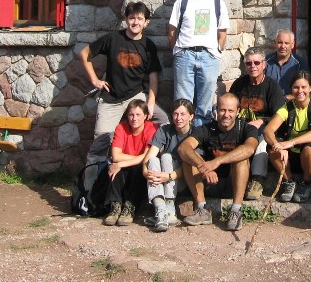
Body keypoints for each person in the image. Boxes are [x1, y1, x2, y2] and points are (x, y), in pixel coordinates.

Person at [80, 2, 167, 165]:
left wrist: (150, 103)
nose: (136, 22)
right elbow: (85, 54)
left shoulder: (149, 46)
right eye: (132, 18)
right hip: (110, 99)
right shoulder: (113, 39)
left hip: (136, 96)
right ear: (126, 19)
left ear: (146, 22)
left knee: (164, 121)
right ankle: (90, 187)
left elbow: (153, 78)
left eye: (140, 19)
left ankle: (155, 161)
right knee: (101, 143)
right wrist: (95, 80)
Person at [178, 93, 259, 231]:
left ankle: (235, 210)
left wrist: (217, 162)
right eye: (222, 110)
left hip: (234, 183)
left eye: (230, 111)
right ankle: (202, 209)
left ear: (238, 111)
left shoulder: (247, 128)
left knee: (242, 159)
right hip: (208, 182)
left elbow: (249, 149)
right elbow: (183, 147)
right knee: (188, 160)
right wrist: (204, 167)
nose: (226, 114)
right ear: (217, 111)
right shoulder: (206, 129)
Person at [168, 0, 230, 126]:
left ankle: (199, 141)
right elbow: (172, 30)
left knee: (205, 105)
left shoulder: (218, 3)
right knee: (182, 103)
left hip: (209, 57)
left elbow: (222, 33)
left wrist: (216, 51)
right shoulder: (182, 1)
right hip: (185, 56)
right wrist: (178, 51)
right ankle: (182, 142)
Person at [262, 70, 311, 204]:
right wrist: (278, 146)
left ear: (310, 88)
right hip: (292, 157)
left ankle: (306, 183)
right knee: (273, 147)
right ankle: (289, 181)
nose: (300, 91)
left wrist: (290, 143)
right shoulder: (287, 107)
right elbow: (268, 130)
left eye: (303, 87)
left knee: (309, 149)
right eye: (296, 87)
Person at [229, 47, 286, 200]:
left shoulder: (272, 86)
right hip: (240, 126)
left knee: (260, 141)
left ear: (264, 64)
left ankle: (257, 179)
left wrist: (261, 121)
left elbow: (279, 114)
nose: (252, 66)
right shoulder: (239, 85)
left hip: (262, 128)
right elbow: (231, 105)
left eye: (256, 63)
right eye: (248, 64)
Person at [142, 98, 195, 232]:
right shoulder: (165, 130)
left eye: (183, 114)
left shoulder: (195, 133)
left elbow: (193, 166)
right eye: (175, 114)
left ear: (191, 116)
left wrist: (169, 176)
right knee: (153, 161)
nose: (178, 118)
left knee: (166, 156)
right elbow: (150, 154)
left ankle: (170, 207)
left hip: (181, 179)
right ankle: (161, 210)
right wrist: (145, 171)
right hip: (162, 179)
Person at [102, 99, 157, 226]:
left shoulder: (151, 128)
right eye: (131, 115)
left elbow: (147, 156)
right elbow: (116, 156)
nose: (134, 118)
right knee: (115, 169)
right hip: (127, 165)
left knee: (137, 168)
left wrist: (121, 163)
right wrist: (122, 163)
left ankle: (130, 206)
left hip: (139, 166)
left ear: (145, 116)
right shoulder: (121, 127)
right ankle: (115, 205)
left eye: (138, 115)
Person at [264, 29, 308, 97]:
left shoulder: (300, 64)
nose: (283, 46)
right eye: (280, 42)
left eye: (286, 43)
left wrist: (289, 97)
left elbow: (307, 91)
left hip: (292, 104)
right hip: (270, 104)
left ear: (292, 45)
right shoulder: (265, 62)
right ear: (275, 44)